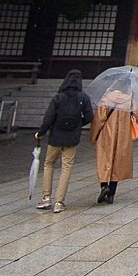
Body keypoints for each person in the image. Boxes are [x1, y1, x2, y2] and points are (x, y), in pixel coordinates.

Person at [34, 69, 94, 213]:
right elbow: (90, 116)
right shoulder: (83, 98)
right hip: (72, 137)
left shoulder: (58, 97)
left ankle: (46, 197)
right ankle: (59, 202)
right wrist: (78, 123)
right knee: (66, 167)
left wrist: (40, 132)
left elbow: (49, 118)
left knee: (49, 164)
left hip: (56, 135)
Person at [90, 89, 138, 204]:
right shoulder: (129, 100)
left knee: (103, 160)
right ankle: (111, 194)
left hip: (106, 135)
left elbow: (99, 120)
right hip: (123, 136)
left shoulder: (106, 99)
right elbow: (137, 116)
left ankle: (104, 186)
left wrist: (93, 136)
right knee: (117, 163)